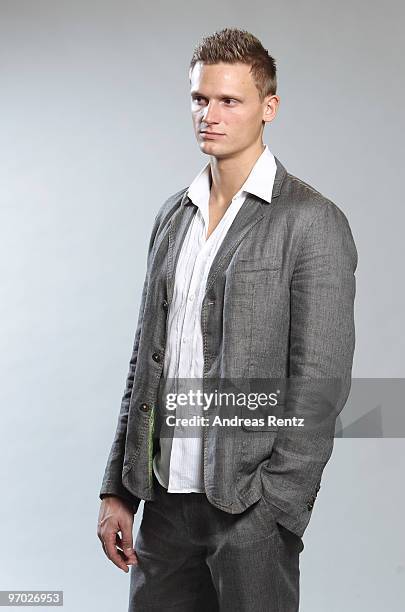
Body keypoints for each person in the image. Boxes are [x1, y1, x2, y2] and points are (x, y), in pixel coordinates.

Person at [97, 27, 357, 612]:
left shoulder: (310, 221)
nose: (209, 115)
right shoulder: (174, 216)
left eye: (229, 101)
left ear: (269, 108)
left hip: (249, 512)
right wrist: (119, 488)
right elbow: (146, 362)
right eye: (199, 99)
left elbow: (321, 380)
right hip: (162, 505)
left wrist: (278, 505)